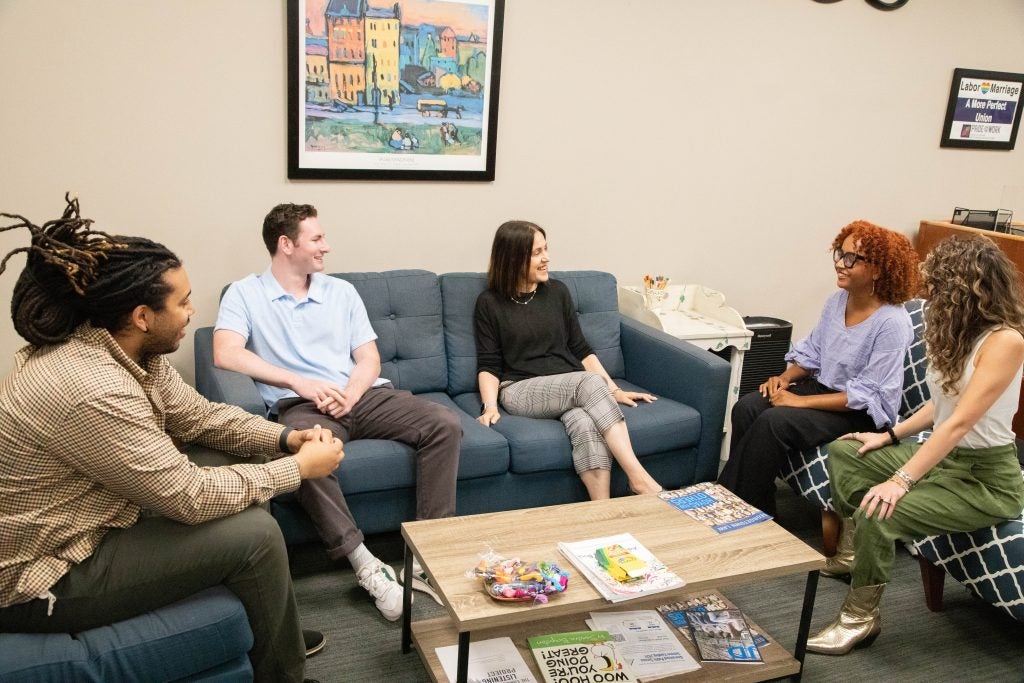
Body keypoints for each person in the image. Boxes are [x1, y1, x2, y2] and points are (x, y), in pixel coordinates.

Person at [0, 195, 344, 683]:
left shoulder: (127, 350)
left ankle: (272, 626)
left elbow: (201, 417)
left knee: (223, 457)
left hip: (93, 517)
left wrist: (286, 437)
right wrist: (298, 469)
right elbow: (188, 497)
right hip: (44, 574)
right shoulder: (90, 387)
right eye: (181, 302)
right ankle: (285, 674)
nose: (191, 311)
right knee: (257, 535)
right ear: (143, 315)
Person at [213, 203, 460, 621]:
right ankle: (367, 565)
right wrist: (298, 382)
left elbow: (369, 359)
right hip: (302, 404)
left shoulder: (340, 292)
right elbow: (224, 352)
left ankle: (425, 559)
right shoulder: (244, 293)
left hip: (362, 395)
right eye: (316, 239)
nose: (326, 247)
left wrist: (351, 391)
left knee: (445, 423)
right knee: (306, 456)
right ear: (285, 244)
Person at [806, 235, 1024, 655]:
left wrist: (900, 481)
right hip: (948, 462)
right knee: (846, 451)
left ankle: (858, 619)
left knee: (878, 509)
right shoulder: (960, 334)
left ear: (968, 289)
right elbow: (939, 404)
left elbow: (959, 422)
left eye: (940, 289)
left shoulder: (1006, 341)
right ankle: (855, 555)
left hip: (986, 480)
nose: (932, 299)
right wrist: (886, 436)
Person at [717, 220, 920, 520]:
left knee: (775, 421)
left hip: (861, 413)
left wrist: (800, 402)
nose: (841, 263)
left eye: (852, 258)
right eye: (839, 253)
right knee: (747, 406)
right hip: (826, 392)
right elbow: (813, 353)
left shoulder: (892, 323)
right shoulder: (838, 301)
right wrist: (783, 380)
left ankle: (728, 506)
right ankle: (756, 509)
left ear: (878, 269)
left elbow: (867, 395)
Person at [474, 220, 662, 500]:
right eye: (537, 252)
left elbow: (581, 349)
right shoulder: (489, 303)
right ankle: (639, 478)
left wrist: (615, 390)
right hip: (520, 389)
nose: (547, 258)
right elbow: (489, 364)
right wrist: (490, 406)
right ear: (514, 257)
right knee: (588, 384)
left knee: (584, 423)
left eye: (546, 249)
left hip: (570, 388)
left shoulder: (558, 292)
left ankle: (603, 511)